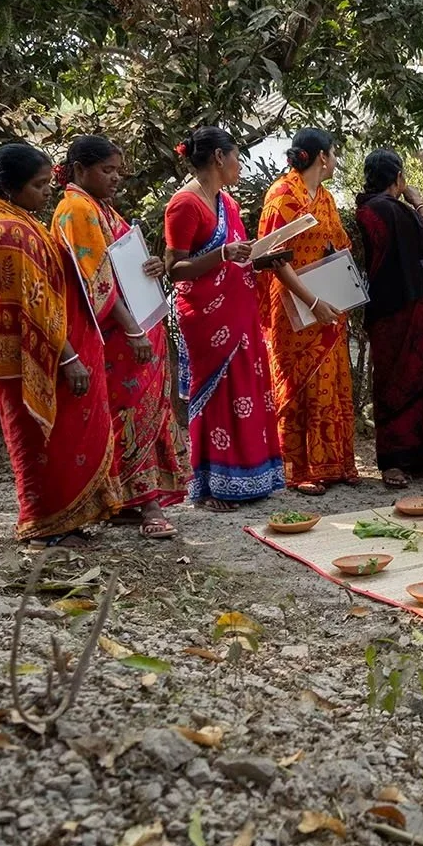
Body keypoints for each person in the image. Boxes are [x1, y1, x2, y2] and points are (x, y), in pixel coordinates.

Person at [0, 144, 121, 544]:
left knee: (51, 442)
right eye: (39, 185)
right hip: (27, 358)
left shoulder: (19, 221)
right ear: (12, 187)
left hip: (34, 354)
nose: (47, 191)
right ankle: (44, 525)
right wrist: (69, 356)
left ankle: (63, 521)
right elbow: (33, 303)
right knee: (39, 442)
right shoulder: (10, 231)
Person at [51, 135, 187, 539]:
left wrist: (148, 265)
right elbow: (96, 282)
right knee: (131, 416)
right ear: (79, 170)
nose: (116, 179)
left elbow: (118, 264)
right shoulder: (76, 209)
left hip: (132, 327)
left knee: (138, 414)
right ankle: (145, 505)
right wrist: (133, 329)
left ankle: (129, 499)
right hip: (117, 335)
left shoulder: (99, 208)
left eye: (117, 171)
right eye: (107, 170)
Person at [163, 126, 285, 510]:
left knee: (246, 390)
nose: (238, 164)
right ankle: (212, 486)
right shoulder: (184, 205)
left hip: (239, 309)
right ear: (219, 157)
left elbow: (239, 256)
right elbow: (174, 268)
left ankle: (252, 474)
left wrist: (264, 257)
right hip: (206, 316)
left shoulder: (227, 203)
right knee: (216, 396)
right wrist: (223, 255)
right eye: (236, 156)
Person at [257, 128, 359, 496]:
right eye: (333, 154)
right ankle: (298, 468)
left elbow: (337, 244)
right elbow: (272, 258)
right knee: (295, 382)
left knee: (329, 380)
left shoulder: (327, 198)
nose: (334, 160)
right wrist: (312, 300)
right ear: (321, 157)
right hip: (293, 306)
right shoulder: (281, 196)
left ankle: (335, 462)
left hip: (329, 301)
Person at [356, 148, 423, 489]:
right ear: (398, 178)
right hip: (403, 310)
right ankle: (393, 460)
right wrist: (416, 198)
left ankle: (413, 456)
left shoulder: (367, 208)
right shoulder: (392, 210)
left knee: (403, 380)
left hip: (392, 309)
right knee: (397, 383)